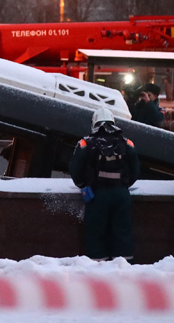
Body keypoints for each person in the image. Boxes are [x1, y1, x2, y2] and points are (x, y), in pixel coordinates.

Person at [69, 107, 140, 260]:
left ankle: (98, 265)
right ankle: (124, 264)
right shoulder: (126, 142)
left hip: (97, 194)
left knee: (95, 232)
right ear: (113, 122)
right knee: (122, 230)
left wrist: (83, 185)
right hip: (121, 194)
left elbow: (75, 169)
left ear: (94, 123)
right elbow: (135, 169)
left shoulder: (85, 143)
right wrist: (124, 185)